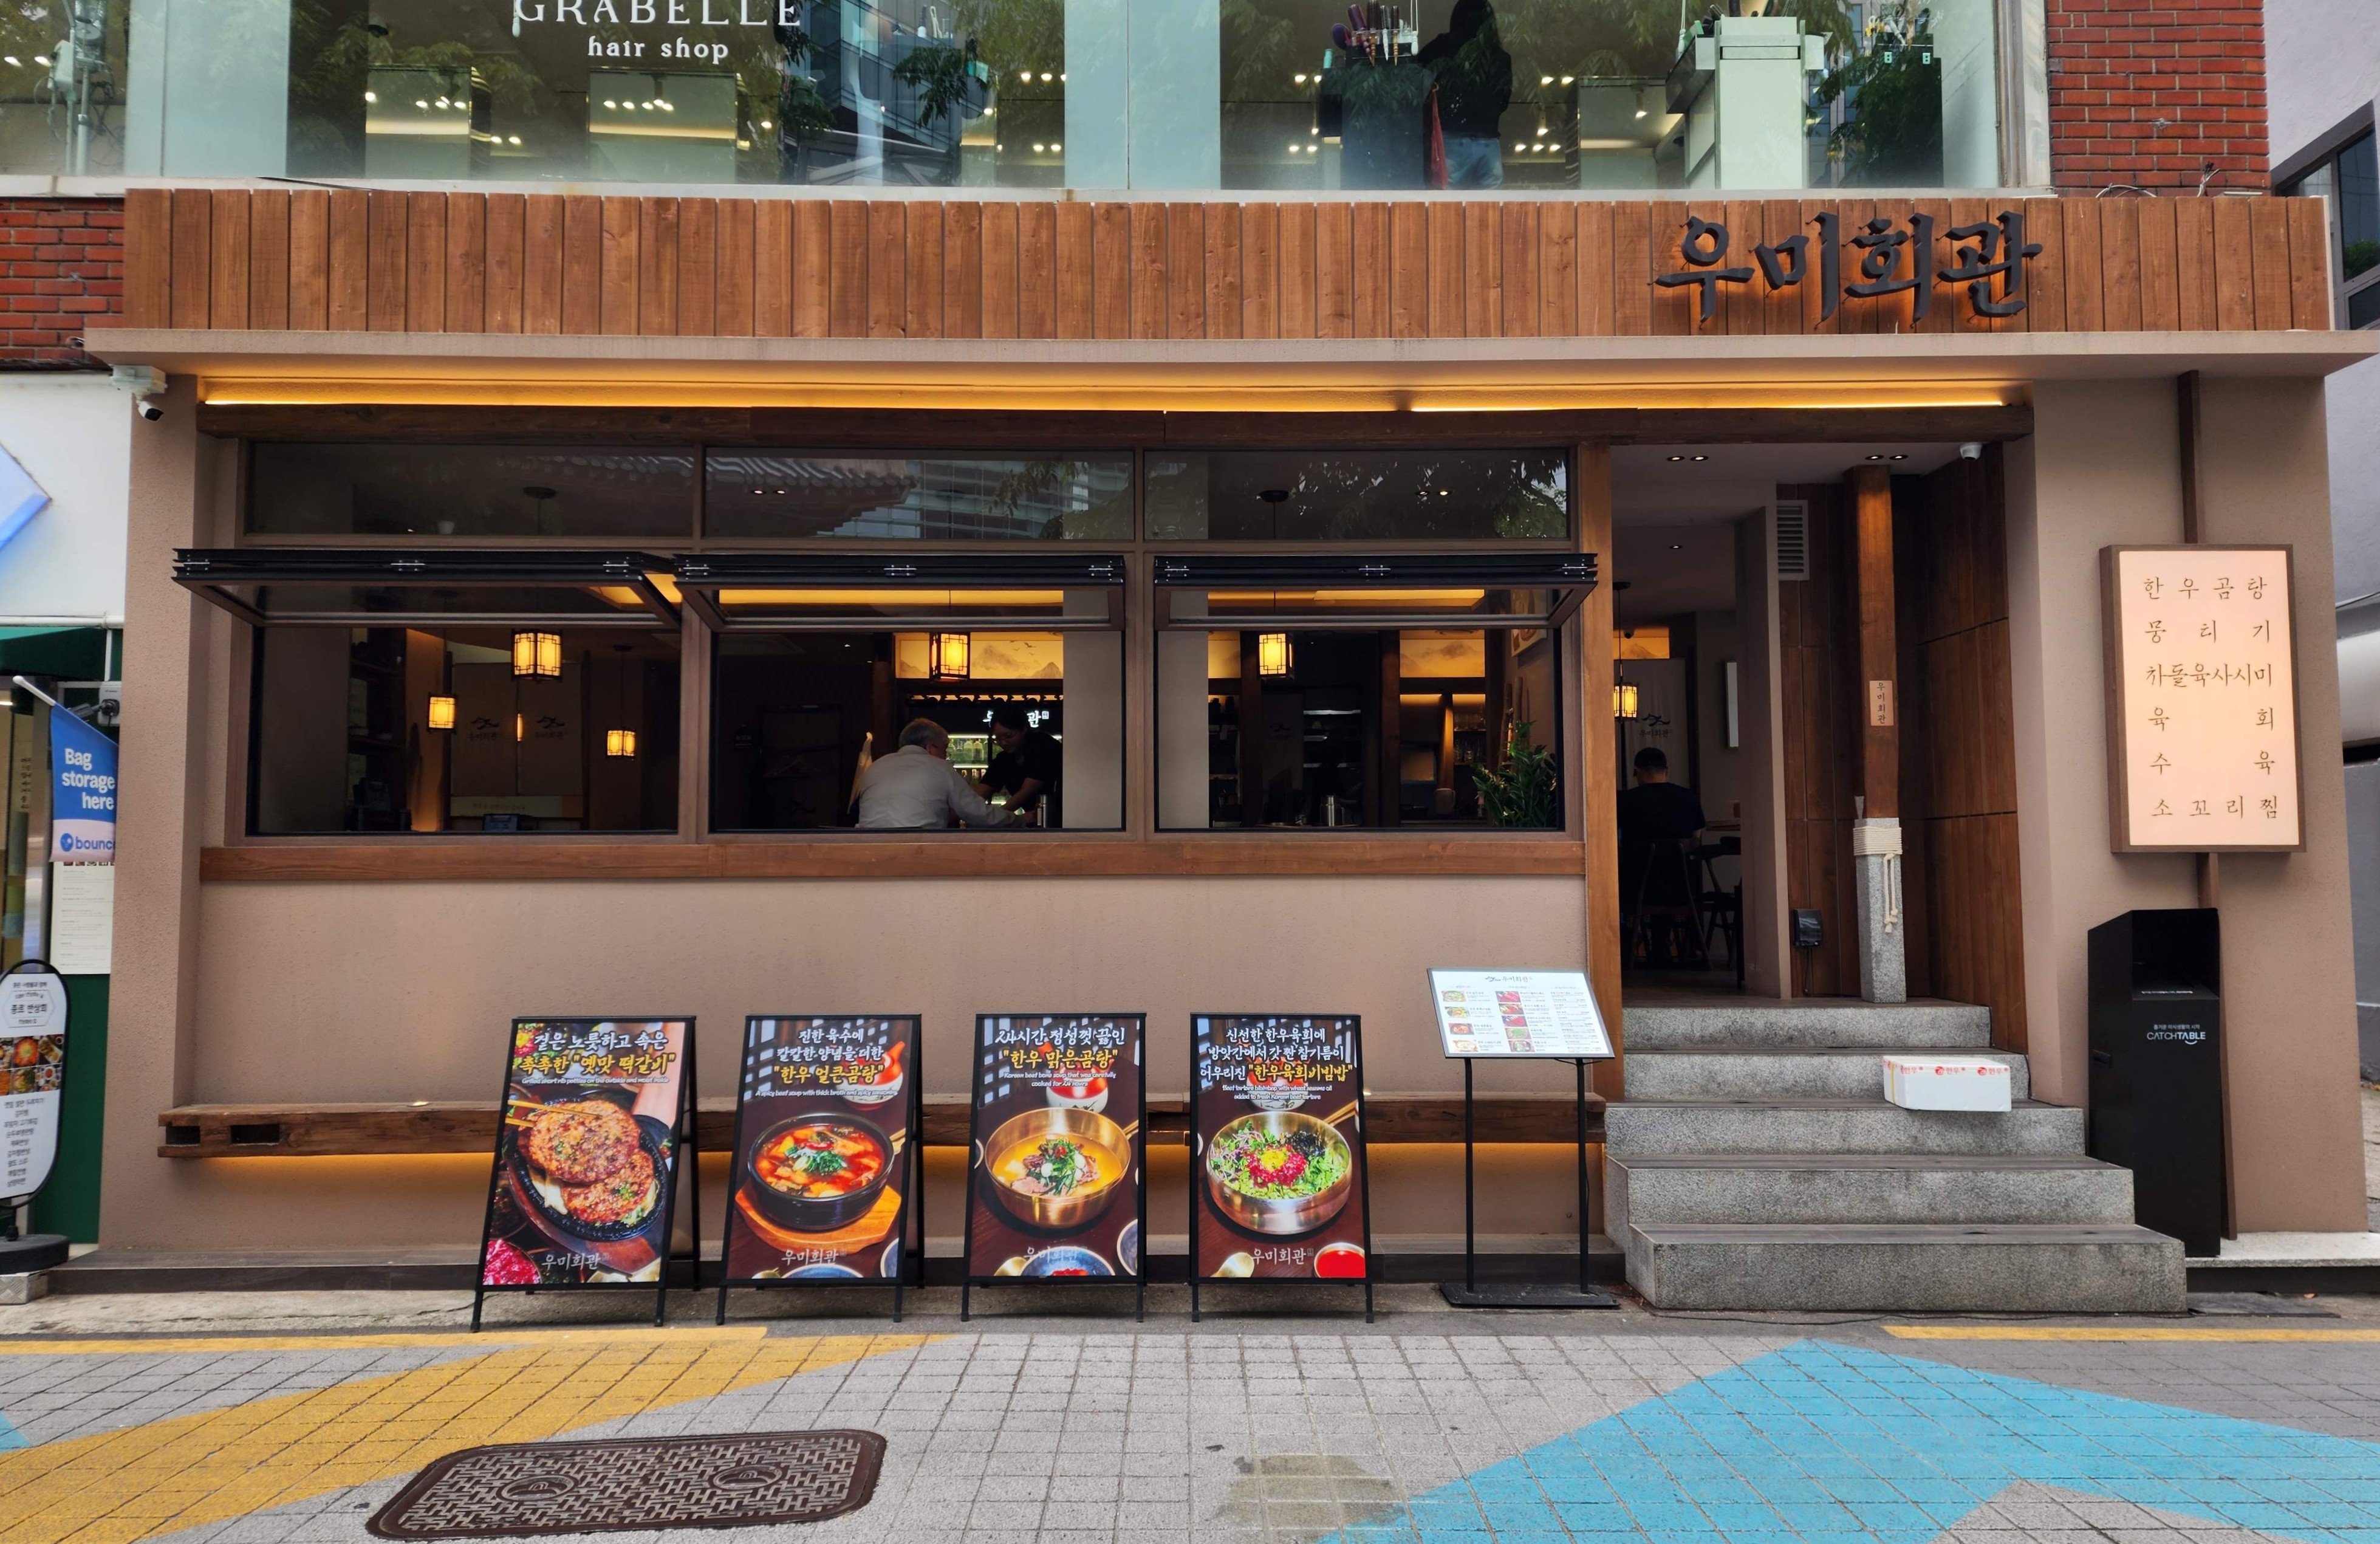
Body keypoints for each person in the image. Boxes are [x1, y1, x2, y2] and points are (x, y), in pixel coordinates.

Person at [1616, 746, 1707, 965]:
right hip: (1683, 887)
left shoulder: (1627, 800)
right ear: (1667, 768)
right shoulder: (1688, 797)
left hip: (1635, 887)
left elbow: (1611, 837)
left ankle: (1627, 945)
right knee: (1666, 878)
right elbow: (1697, 837)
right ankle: (1667, 947)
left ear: (1637, 771)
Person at [853, 718, 1019, 829]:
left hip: (867, 846)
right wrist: (1019, 820)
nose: (945, 756)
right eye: (945, 750)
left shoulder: (876, 766)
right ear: (930, 748)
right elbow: (978, 814)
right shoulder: (940, 767)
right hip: (920, 848)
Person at [1418, 0, 1512, 190]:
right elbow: (1503, 101)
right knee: (1492, 206)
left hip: (1452, 140)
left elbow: (1417, 72)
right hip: (1488, 142)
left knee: (1448, 205)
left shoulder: (1442, 47)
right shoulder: (1499, 57)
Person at [980, 703, 1062, 826]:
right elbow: (979, 793)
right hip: (1036, 822)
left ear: (1024, 729)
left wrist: (995, 819)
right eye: (998, 739)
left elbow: (1027, 791)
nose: (1003, 743)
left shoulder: (1043, 746)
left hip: (1064, 821)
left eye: (1009, 736)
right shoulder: (1003, 759)